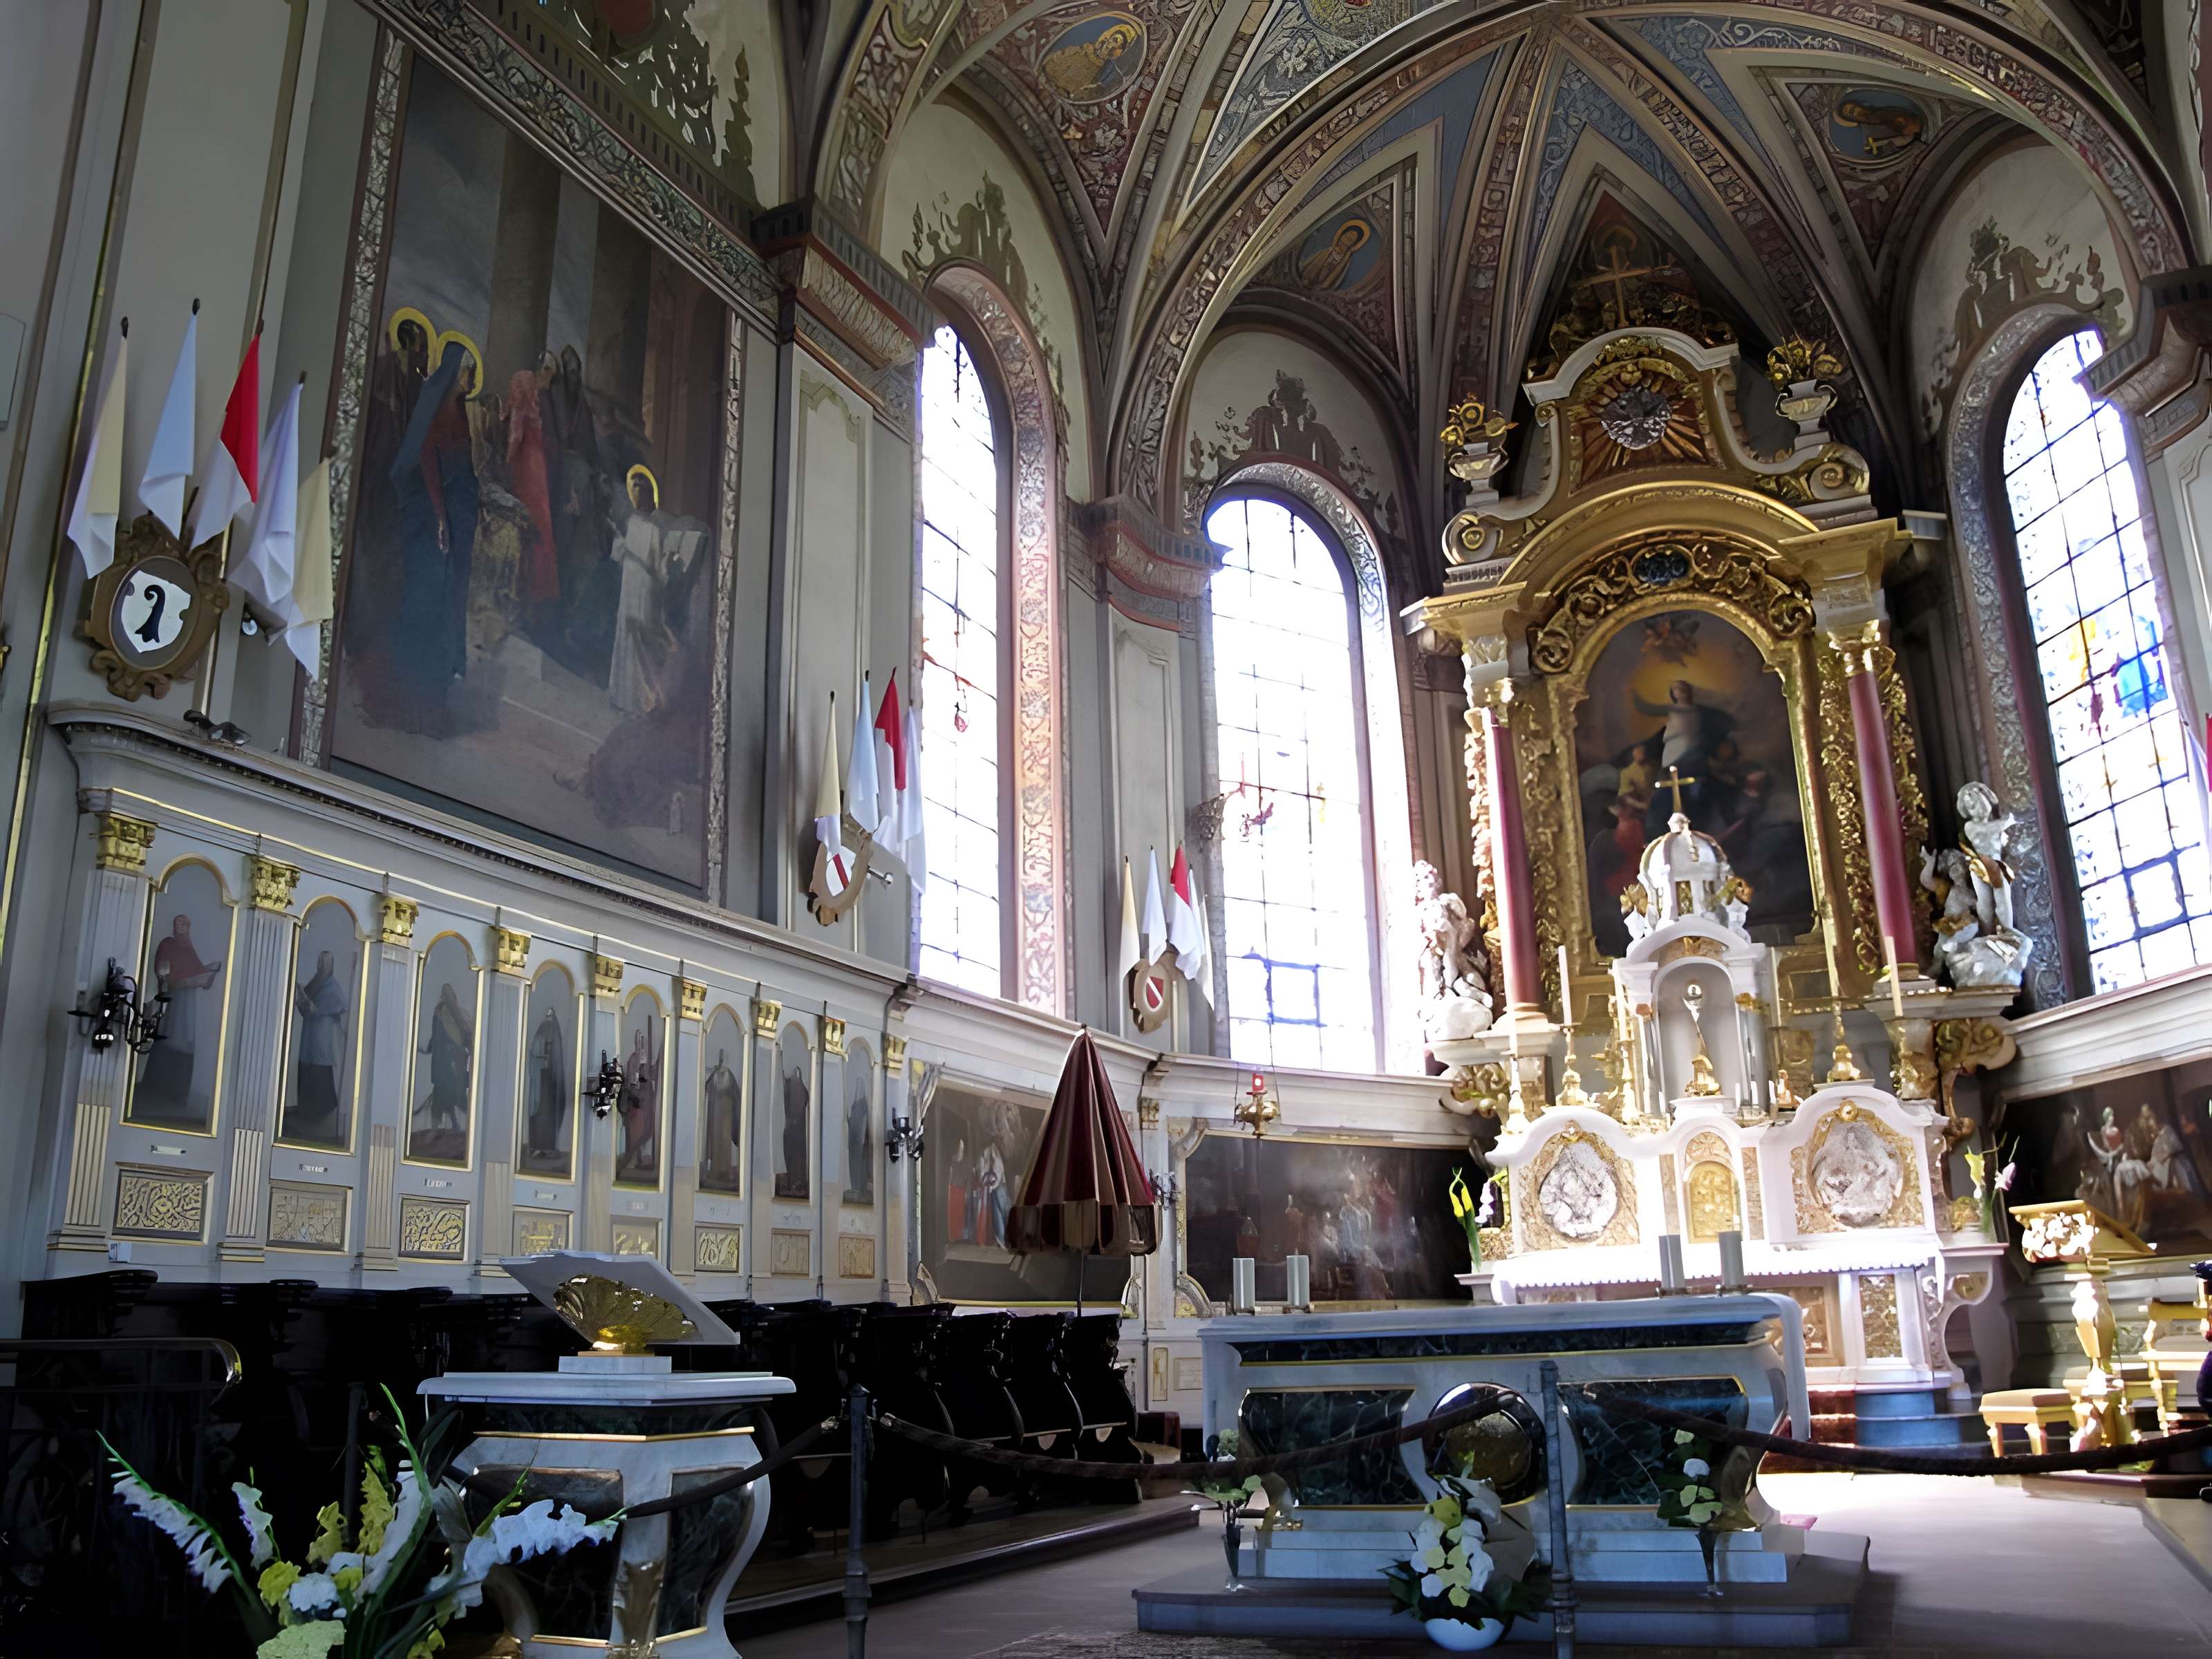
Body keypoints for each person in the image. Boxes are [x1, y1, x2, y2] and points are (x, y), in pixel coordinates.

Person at [387, 342, 480, 731]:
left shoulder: (460, 414)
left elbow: (465, 471)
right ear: (454, 370)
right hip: (433, 527)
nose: (472, 378)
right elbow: (426, 463)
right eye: (468, 370)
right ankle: (415, 700)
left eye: (474, 371)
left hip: (458, 527)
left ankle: (436, 700)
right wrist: (441, 516)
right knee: (428, 602)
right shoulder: (436, 412)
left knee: (448, 605)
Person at [140, 915, 225, 1123]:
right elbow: (163, 971)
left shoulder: (189, 948)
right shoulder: (169, 944)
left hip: (188, 1001)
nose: (182, 927)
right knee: (170, 1035)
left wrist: (209, 972)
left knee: (185, 1038)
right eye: (179, 924)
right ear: (174, 926)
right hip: (175, 999)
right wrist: (170, 977)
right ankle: (159, 1090)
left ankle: (177, 1093)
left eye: (185, 924)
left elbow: (197, 971)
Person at [289, 950, 348, 1143]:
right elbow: (305, 1008)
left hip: (322, 1039)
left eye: (326, 963)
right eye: (320, 962)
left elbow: (337, 1007)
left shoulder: (333, 987)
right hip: (309, 1038)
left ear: (332, 966)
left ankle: (320, 1113)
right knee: (307, 1072)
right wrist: (302, 997)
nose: (322, 966)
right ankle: (307, 1111)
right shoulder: (315, 983)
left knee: (320, 1075)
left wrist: (313, 1006)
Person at [414, 982, 472, 1155]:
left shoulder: (457, 1016)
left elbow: (462, 1039)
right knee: (440, 1098)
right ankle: (437, 1129)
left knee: (457, 1098)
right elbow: (436, 1036)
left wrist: (456, 1060)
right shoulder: (438, 1013)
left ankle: (469, 1127)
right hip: (440, 1065)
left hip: (453, 1066)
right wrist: (427, 1050)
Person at [524, 1006, 565, 1170]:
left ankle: (547, 1147)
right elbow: (536, 1055)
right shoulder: (546, 1031)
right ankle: (540, 1146)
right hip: (544, 1082)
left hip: (549, 1082)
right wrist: (545, 1062)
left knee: (548, 1116)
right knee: (543, 1115)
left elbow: (554, 1057)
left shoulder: (550, 1030)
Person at [702, 1047, 741, 1190]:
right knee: (716, 1140)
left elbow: (736, 1094)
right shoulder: (714, 1072)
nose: (722, 1060)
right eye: (721, 1057)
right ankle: (716, 1171)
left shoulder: (729, 1074)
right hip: (716, 1112)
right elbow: (707, 1087)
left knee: (724, 1141)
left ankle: (724, 1171)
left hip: (726, 1113)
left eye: (723, 1057)